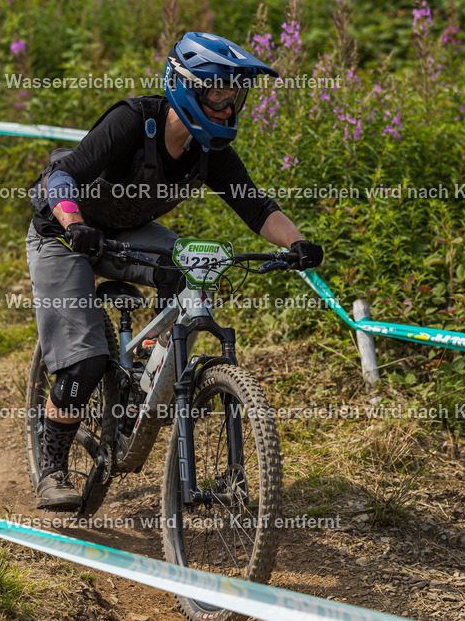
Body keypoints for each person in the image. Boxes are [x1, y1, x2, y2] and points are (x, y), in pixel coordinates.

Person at [25, 31, 324, 510]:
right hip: (64, 233)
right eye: (218, 94)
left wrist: (299, 243)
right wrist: (75, 222)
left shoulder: (210, 151)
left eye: (234, 96)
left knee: (188, 267)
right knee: (83, 361)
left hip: (126, 233)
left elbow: (254, 206)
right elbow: (61, 176)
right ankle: (53, 467)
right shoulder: (132, 121)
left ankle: (144, 369)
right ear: (187, 87)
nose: (228, 108)